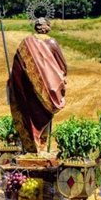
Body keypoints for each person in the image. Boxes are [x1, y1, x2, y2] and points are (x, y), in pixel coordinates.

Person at [8, 17, 67, 153]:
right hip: (47, 92)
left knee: (28, 115)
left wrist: (13, 81)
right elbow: (62, 66)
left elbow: (17, 68)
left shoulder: (26, 43)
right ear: (46, 27)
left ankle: (33, 149)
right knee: (44, 115)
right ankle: (42, 147)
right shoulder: (51, 42)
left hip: (27, 90)